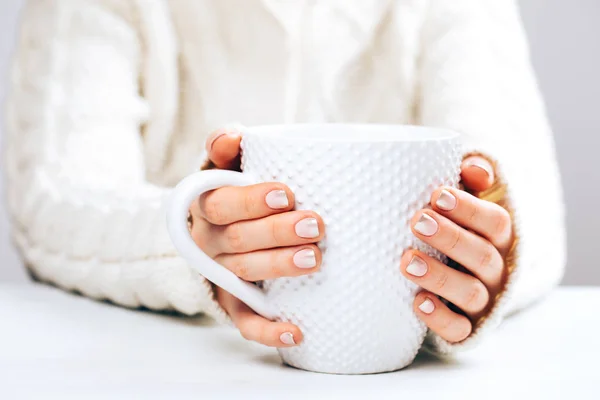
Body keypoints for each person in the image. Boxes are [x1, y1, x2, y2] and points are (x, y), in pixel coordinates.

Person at [4, 0, 565, 354]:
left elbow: (524, 201)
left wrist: (489, 250)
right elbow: (54, 195)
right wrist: (192, 245)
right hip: (165, 364)